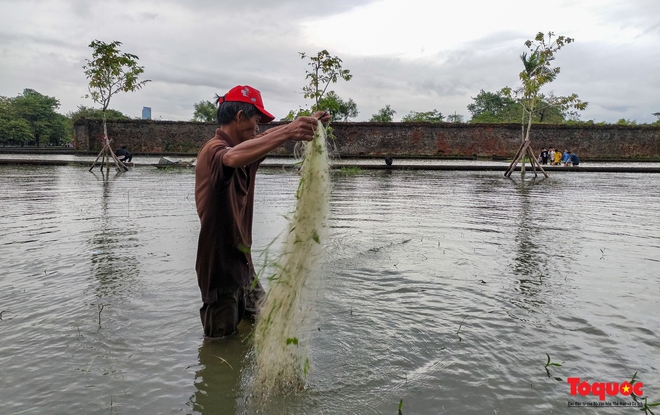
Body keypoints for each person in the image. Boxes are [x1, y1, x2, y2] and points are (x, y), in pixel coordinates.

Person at [194, 85, 330, 338]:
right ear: (239, 117)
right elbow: (231, 158)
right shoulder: (213, 151)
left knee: (269, 321)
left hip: (244, 265)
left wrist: (300, 126)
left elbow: (258, 142)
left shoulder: (247, 151)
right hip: (220, 270)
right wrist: (289, 130)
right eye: (257, 120)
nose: (258, 128)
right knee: (220, 347)